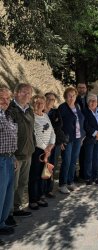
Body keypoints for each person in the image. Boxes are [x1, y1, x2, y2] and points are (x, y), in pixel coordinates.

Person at [6, 83, 35, 225]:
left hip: (28, 153)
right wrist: (12, 155)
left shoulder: (30, 110)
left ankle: (17, 207)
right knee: (13, 185)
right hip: (15, 155)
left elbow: (31, 132)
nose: (26, 95)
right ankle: (8, 213)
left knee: (23, 183)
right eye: (24, 92)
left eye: (29, 93)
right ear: (16, 93)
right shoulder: (10, 110)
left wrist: (33, 148)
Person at [28, 95, 55, 210]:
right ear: (33, 104)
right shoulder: (31, 117)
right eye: (37, 103)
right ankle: (33, 200)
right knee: (34, 175)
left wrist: (50, 145)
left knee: (43, 175)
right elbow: (34, 134)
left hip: (47, 150)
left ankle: (40, 196)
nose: (40, 105)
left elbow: (52, 132)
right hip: (37, 150)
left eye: (42, 103)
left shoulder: (45, 116)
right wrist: (45, 148)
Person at [58, 87, 85, 194]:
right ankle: (62, 184)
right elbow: (58, 126)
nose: (72, 97)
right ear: (65, 96)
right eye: (69, 95)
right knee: (66, 161)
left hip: (78, 138)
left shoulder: (77, 106)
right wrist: (60, 141)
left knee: (73, 161)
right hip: (67, 140)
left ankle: (70, 182)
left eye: (73, 95)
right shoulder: (62, 108)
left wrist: (82, 136)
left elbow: (81, 121)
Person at [0, 85, 17, 236]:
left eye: (7, 98)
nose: (5, 101)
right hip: (1, 160)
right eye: (2, 99)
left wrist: (14, 156)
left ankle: (2, 223)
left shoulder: (8, 114)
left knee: (7, 194)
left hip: (9, 158)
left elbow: (11, 138)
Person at [43, 92, 66, 198]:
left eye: (52, 99)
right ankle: (41, 191)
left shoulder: (56, 112)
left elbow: (59, 125)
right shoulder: (40, 111)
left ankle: (49, 189)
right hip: (42, 144)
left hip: (54, 143)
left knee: (51, 166)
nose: (50, 101)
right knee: (42, 166)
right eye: (48, 98)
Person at [83, 94, 98, 185]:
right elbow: (85, 125)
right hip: (90, 139)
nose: (93, 102)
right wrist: (95, 133)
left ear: (97, 102)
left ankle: (95, 176)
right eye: (91, 100)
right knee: (89, 158)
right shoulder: (85, 112)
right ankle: (88, 178)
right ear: (88, 102)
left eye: (95, 101)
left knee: (96, 158)